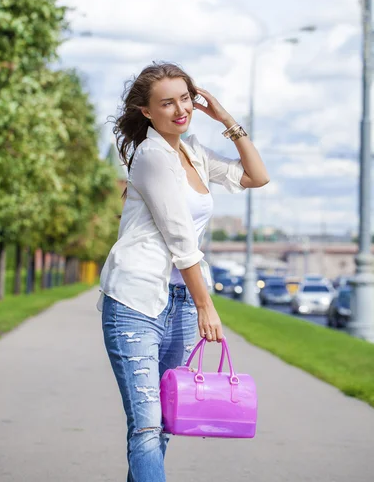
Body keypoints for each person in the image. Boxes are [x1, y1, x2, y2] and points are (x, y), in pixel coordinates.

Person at [97, 62, 269, 482]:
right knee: (147, 425)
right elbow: (181, 241)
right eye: (167, 102)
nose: (180, 109)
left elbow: (256, 176)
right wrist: (207, 305)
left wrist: (226, 119)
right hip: (135, 300)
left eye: (185, 98)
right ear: (147, 112)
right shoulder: (153, 156)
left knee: (166, 424)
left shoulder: (191, 151)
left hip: (177, 305)